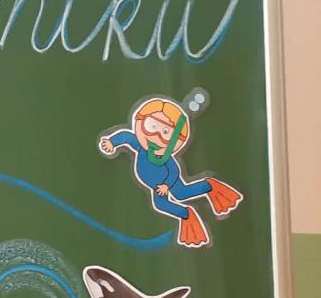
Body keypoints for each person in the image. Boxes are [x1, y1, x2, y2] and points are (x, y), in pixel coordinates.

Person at [99, 97, 242, 248]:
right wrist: (112, 142)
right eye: (152, 126)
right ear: (140, 122)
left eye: (166, 132)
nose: (157, 136)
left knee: (181, 194)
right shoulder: (140, 145)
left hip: (167, 184)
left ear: (176, 141)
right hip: (156, 186)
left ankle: (209, 186)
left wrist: (167, 185)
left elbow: (174, 172)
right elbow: (126, 136)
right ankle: (187, 214)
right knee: (161, 204)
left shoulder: (167, 159)